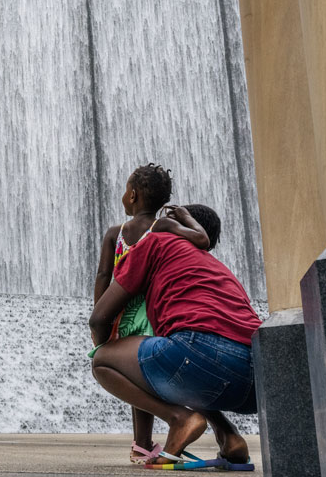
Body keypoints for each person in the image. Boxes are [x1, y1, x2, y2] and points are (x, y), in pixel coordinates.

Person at [89, 204, 260, 467]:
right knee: (180, 364)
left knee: (104, 361)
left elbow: (98, 318)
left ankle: (179, 419)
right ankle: (228, 436)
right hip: (257, 381)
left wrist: (106, 350)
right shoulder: (215, 268)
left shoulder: (156, 243)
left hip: (200, 356)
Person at [93, 164, 210, 463]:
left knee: (133, 372)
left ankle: (142, 442)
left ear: (131, 195)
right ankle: (144, 441)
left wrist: (100, 319)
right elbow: (202, 240)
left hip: (120, 312)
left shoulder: (113, 234)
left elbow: (103, 276)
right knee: (143, 370)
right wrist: (187, 218)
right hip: (153, 310)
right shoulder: (162, 227)